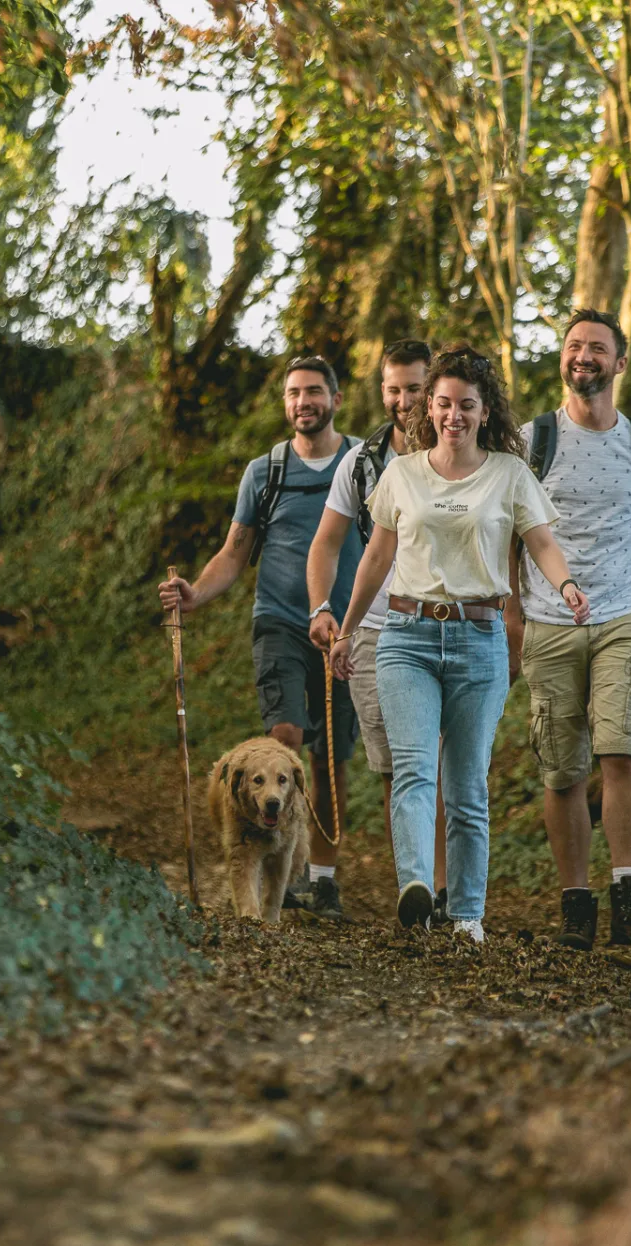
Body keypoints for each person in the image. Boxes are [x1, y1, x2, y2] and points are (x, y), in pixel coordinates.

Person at [331, 344, 590, 942]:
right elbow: (375, 557)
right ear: (430, 409)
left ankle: (467, 914)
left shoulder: (509, 473)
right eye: (443, 404)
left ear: (484, 411)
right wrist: (345, 630)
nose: (453, 415)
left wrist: (566, 584)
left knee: (468, 784)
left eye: (465, 406)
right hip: (406, 636)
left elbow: (542, 543)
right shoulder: (402, 474)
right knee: (415, 771)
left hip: (478, 639)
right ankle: (416, 890)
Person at [158, 355, 361, 921]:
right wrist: (196, 593)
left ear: (335, 399)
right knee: (286, 736)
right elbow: (235, 551)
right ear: (286, 403)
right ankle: (274, 856)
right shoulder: (266, 472)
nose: (304, 402)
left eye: (315, 392)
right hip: (278, 621)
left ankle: (319, 877)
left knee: (332, 760)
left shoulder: (362, 465)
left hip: (348, 627)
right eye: (294, 393)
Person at [509, 309, 631, 951]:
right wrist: (512, 613)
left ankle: (626, 895)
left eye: (597, 348)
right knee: (561, 770)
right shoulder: (531, 440)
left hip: (620, 619)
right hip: (549, 625)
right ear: (562, 358)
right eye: (574, 345)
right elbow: (508, 532)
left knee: (623, 752)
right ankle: (575, 900)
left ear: (619, 364)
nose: (583, 356)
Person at [306, 340, 453, 922]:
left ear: (434, 387)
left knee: (439, 761)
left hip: (446, 622)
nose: (402, 401)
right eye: (393, 389)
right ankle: (415, 887)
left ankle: (446, 892)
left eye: (414, 388)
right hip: (374, 630)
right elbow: (326, 543)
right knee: (398, 767)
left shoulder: (462, 451)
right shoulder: (362, 462)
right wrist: (324, 608)